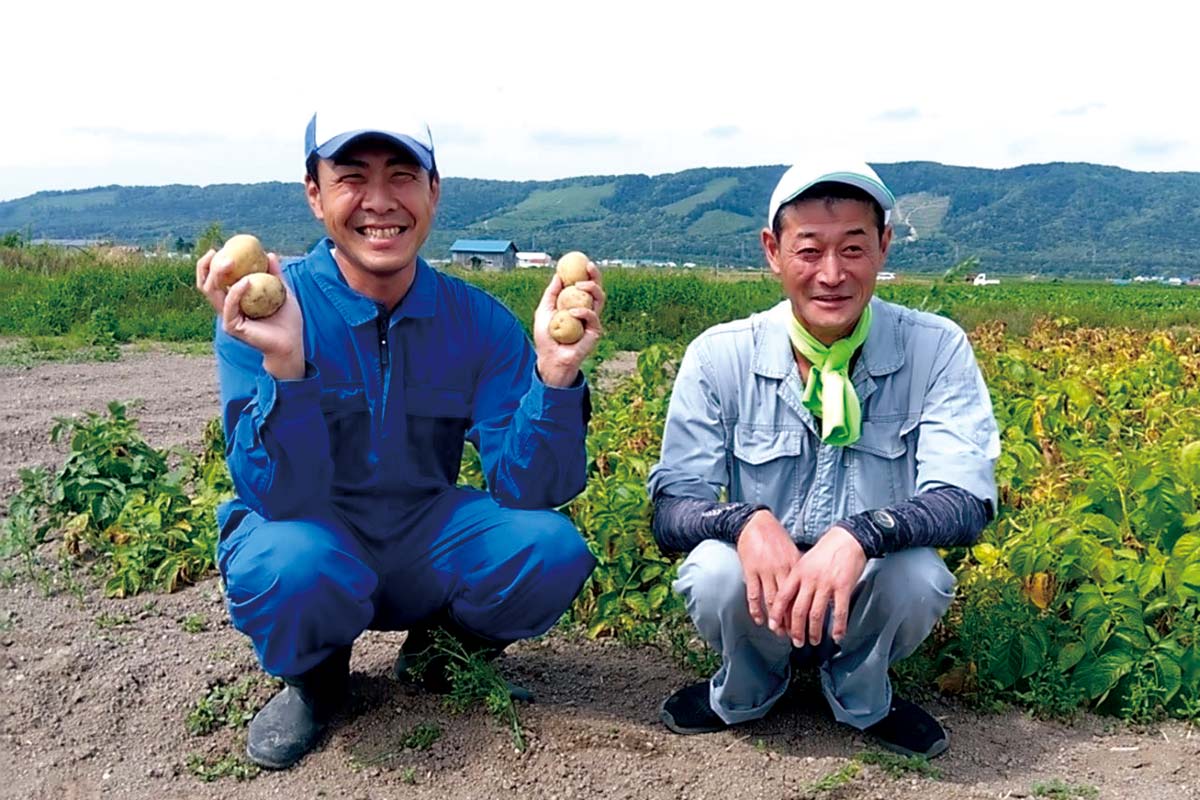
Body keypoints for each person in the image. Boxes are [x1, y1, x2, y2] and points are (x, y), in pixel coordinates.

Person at [195, 109, 604, 770]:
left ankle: (441, 654)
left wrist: (556, 380)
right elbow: (278, 497)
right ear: (314, 193)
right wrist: (287, 365)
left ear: (433, 192)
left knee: (550, 549)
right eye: (353, 177)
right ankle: (318, 683)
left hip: (424, 538)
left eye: (403, 177)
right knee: (289, 564)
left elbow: (531, 487)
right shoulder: (264, 315)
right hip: (316, 535)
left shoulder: (478, 321)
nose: (380, 201)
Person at [646, 158, 999, 758]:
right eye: (809, 251)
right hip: (767, 595)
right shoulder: (718, 356)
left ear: (884, 246)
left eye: (853, 249)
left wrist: (862, 534)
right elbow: (671, 508)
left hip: (862, 587)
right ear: (773, 251)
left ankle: (863, 692)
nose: (831, 274)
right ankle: (749, 684)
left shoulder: (936, 348)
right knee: (713, 570)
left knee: (918, 574)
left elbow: (967, 500)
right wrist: (743, 521)